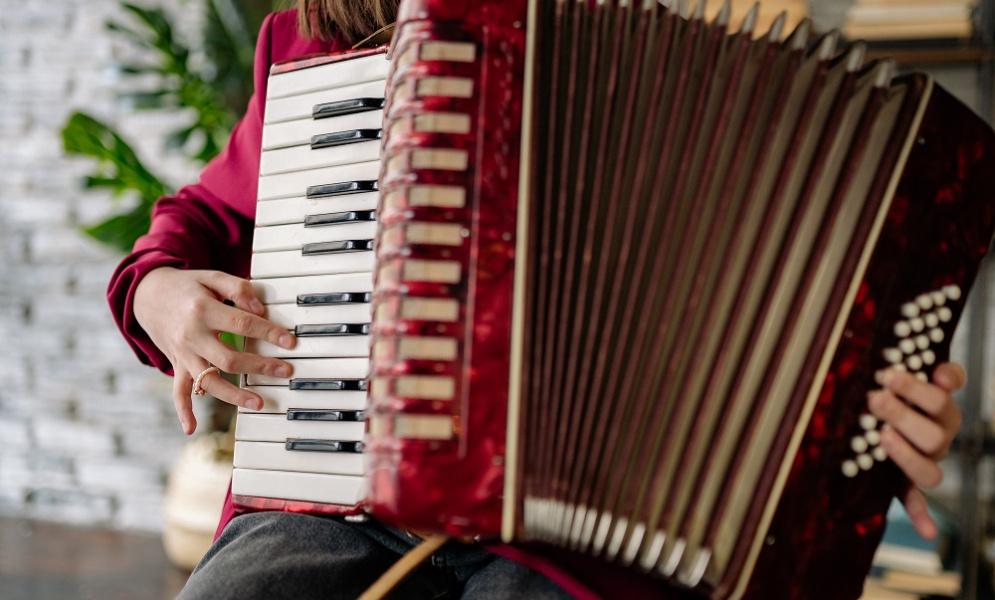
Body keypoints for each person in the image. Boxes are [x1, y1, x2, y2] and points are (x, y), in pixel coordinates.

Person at [107, 2, 967, 598]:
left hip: (580, 545)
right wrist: (157, 292)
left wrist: (876, 413)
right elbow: (202, 217)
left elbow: (806, 298)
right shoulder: (312, 48)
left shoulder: (646, 56)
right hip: (337, 490)